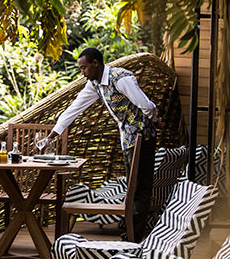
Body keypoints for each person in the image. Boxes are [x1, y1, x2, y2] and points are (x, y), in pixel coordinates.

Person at [40, 48, 159, 242]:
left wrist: (154, 118)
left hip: (141, 138)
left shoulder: (120, 78)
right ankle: (130, 231)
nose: (82, 73)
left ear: (96, 63)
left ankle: (134, 238)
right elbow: (74, 109)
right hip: (129, 140)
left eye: (84, 68)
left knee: (140, 188)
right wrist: (53, 135)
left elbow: (145, 105)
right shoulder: (95, 85)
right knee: (133, 187)